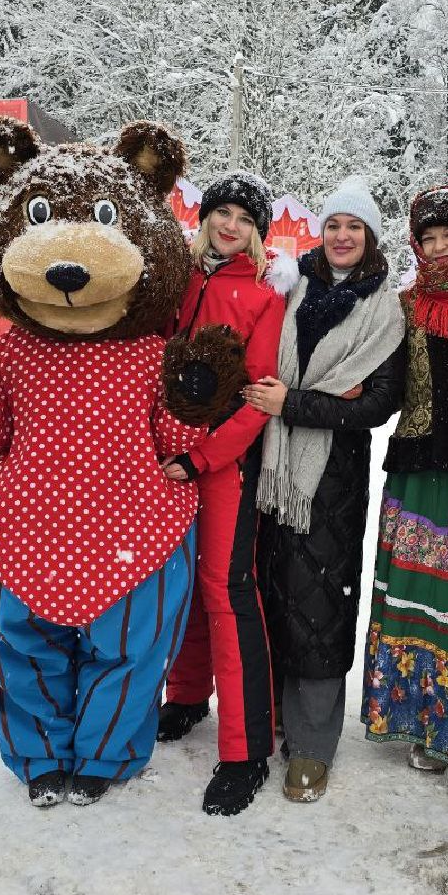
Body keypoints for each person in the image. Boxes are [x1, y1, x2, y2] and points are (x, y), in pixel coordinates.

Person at [244, 176, 406, 804]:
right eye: (334, 224)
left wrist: (295, 402)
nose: (342, 236)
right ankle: (275, 719)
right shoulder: (289, 287)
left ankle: (313, 744)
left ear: (369, 237)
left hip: (332, 475)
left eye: (354, 227)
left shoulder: (385, 308)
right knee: (269, 589)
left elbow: (380, 402)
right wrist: (312, 397)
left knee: (320, 602)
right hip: (270, 465)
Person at [156, 173, 298, 817]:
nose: (230, 224)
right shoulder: (174, 283)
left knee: (225, 591)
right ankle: (186, 697)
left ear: (258, 232)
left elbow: (257, 400)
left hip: (220, 469)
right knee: (177, 583)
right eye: (221, 211)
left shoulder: (263, 299)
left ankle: (245, 750)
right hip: (161, 460)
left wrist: (203, 457)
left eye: (244, 216)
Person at [360, 186, 448, 775]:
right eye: (429, 238)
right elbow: (385, 380)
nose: (440, 247)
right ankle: (408, 716)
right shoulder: (405, 305)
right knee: (413, 602)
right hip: (417, 472)